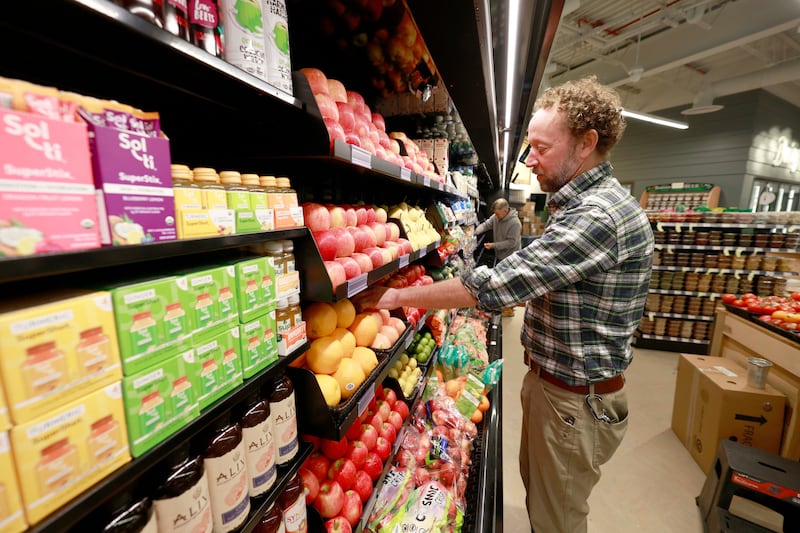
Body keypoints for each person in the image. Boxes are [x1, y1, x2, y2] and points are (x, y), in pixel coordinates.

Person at [354, 75, 654, 532]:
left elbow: (491, 288)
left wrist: (395, 295)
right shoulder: (578, 206)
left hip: (574, 402)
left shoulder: (599, 216)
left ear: (587, 143)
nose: (529, 160)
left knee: (558, 520)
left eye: (541, 147)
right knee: (544, 504)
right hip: (559, 388)